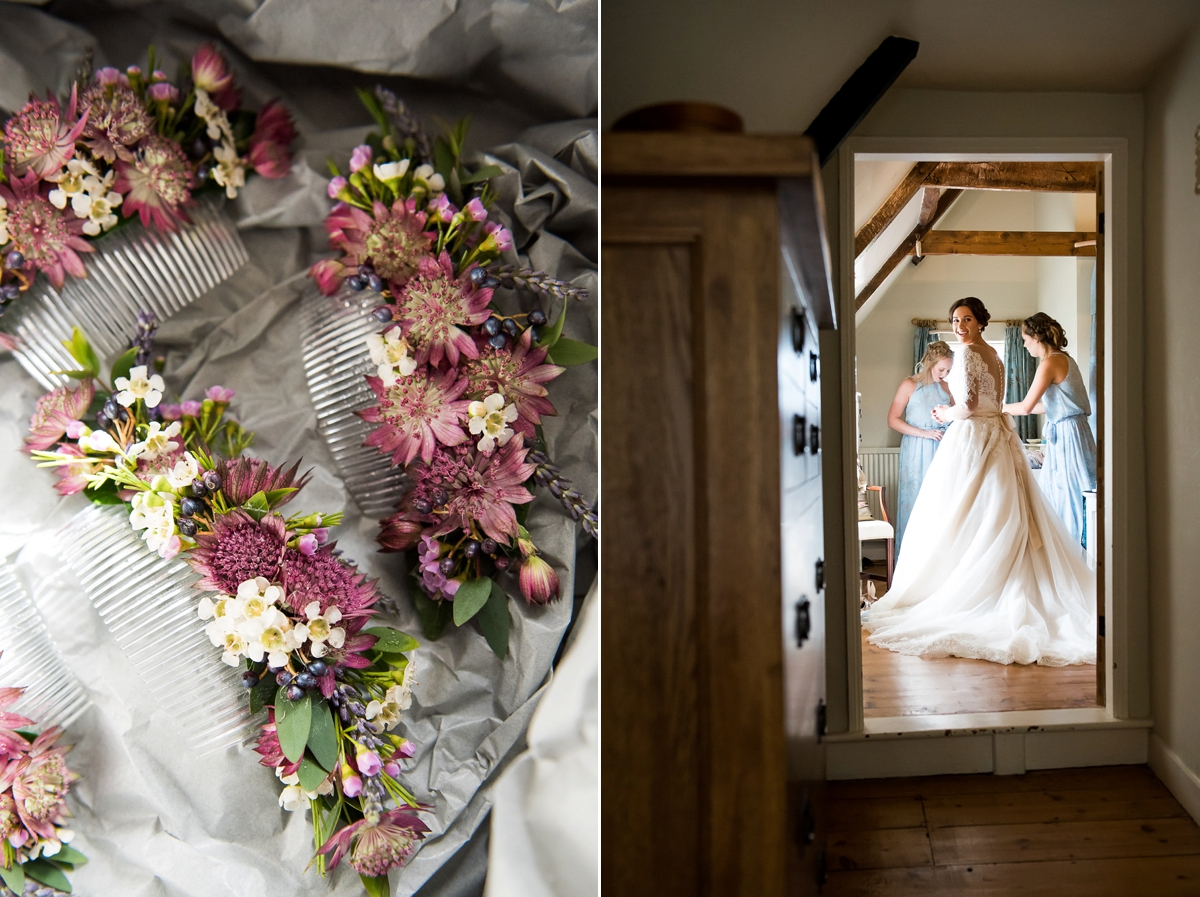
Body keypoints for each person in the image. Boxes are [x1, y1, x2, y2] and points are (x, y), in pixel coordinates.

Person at [862, 297, 1095, 666]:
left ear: (981, 322)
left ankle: (973, 586)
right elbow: (994, 401)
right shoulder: (995, 355)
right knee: (995, 508)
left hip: (972, 436)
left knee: (964, 510)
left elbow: (969, 407)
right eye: (954, 320)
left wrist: (944, 412)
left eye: (966, 319)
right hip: (996, 435)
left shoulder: (970, 353)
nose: (959, 326)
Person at [1002, 313, 1097, 546]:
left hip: (1069, 435)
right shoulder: (1063, 358)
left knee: (1071, 493)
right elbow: (1047, 406)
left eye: (1025, 339)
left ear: (1036, 337)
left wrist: (997, 407)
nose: (1024, 344)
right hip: (1069, 430)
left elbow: (1026, 406)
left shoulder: (1050, 362)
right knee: (1064, 492)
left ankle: (1076, 549)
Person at [887, 340, 953, 553]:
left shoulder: (945, 387)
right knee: (916, 502)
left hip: (942, 449)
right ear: (930, 363)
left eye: (948, 370)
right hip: (916, 449)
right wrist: (924, 433)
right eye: (941, 369)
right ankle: (911, 559)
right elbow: (893, 420)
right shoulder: (909, 384)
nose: (944, 374)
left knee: (942, 504)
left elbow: (957, 415)